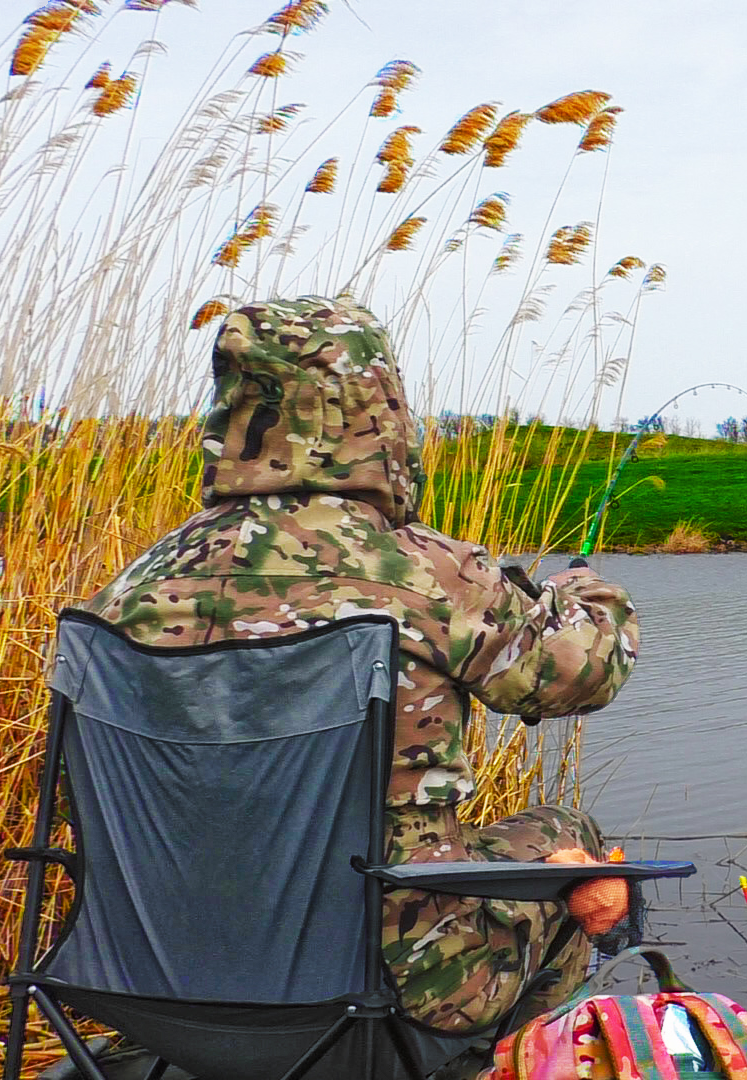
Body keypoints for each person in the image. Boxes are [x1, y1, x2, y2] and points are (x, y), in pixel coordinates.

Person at [81, 295, 639, 1035]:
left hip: (154, 972)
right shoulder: (418, 570)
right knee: (571, 836)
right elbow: (582, 672)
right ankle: (513, 1061)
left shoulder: (139, 582)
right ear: (378, 412)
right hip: (394, 975)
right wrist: (587, 593)